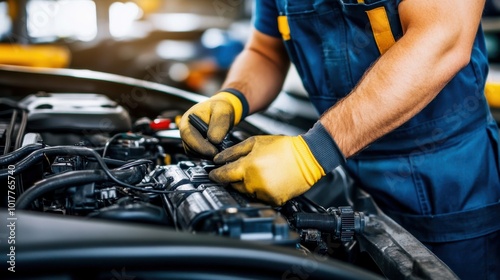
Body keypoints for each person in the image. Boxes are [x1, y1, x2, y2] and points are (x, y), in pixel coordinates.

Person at [179, 0, 500, 278]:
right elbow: (266, 51)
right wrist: (232, 99)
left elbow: (443, 37)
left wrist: (312, 153)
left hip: (447, 181)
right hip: (345, 169)